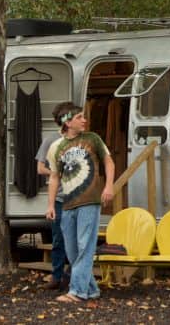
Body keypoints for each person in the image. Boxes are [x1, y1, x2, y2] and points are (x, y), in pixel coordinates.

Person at [45, 102, 114, 303]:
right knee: (72, 250)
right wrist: (50, 205)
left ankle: (77, 291)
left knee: (85, 246)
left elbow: (108, 162)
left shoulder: (93, 139)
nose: (84, 120)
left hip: (89, 201)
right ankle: (91, 289)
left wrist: (109, 186)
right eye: (79, 117)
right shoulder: (56, 147)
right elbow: (55, 177)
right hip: (67, 204)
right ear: (67, 121)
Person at [35, 134, 69, 290]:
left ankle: (71, 276)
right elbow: (40, 168)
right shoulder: (51, 140)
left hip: (78, 198)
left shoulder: (83, 140)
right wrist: (56, 173)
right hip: (59, 197)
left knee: (77, 240)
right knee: (58, 239)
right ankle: (56, 276)